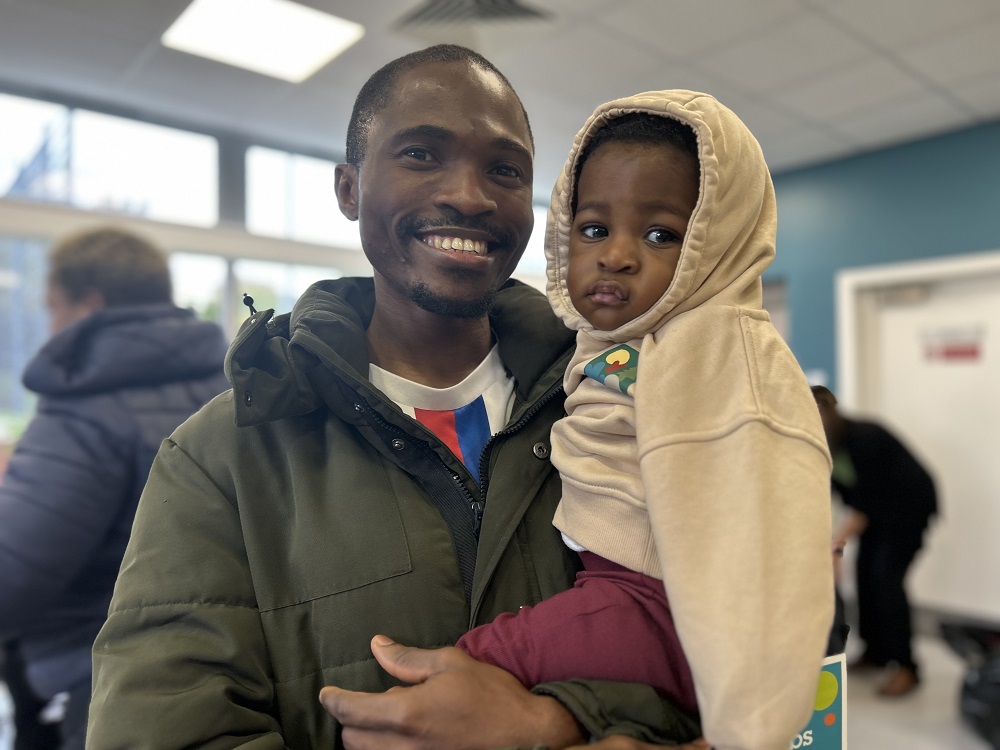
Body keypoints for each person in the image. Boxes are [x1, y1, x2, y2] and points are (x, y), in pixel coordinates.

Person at [87, 45, 707, 750]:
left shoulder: (619, 410)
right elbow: (160, 729)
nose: (470, 195)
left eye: (504, 170)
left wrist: (550, 723)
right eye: (421, 154)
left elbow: (735, 652)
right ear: (349, 190)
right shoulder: (221, 456)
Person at [445, 92, 836, 749]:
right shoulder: (616, 341)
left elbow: (772, 526)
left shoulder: (719, 342)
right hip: (612, 583)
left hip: (656, 601)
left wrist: (750, 732)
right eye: (594, 228)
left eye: (661, 235)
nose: (617, 255)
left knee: (474, 661)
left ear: (718, 242)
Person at [0, 226, 230, 749]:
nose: (50, 324)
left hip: (93, 680)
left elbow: (11, 579)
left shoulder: (85, 412)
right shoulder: (226, 388)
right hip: (214, 668)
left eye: (53, 306)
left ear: (89, 305)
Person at [812, 384, 937, 697]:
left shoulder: (864, 438)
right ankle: (875, 653)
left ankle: (906, 667)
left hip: (908, 509)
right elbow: (842, 502)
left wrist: (835, 549)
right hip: (879, 516)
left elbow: (863, 507)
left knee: (886, 580)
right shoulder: (829, 450)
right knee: (866, 577)